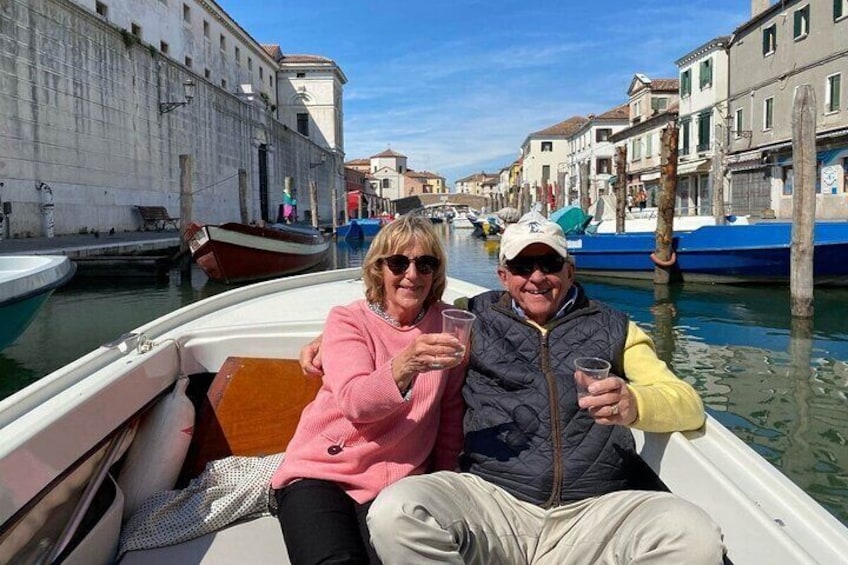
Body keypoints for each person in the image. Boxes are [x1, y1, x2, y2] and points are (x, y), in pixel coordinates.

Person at [302, 211, 724, 564]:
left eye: (550, 265)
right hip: (494, 499)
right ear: (503, 275)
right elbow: (401, 321)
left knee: (696, 536)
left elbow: (686, 402)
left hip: (596, 506)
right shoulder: (470, 318)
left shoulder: (615, 326)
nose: (536, 278)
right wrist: (328, 340)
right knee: (397, 511)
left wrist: (634, 403)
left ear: (570, 269)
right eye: (522, 267)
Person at [271, 215, 467, 565]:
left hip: (396, 481)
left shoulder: (450, 324)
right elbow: (355, 403)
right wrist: (405, 363)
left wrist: (445, 481)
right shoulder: (348, 320)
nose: (412, 274)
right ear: (379, 269)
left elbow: (450, 412)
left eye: (425, 264)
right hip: (322, 471)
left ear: (436, 272)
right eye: (398, 263)